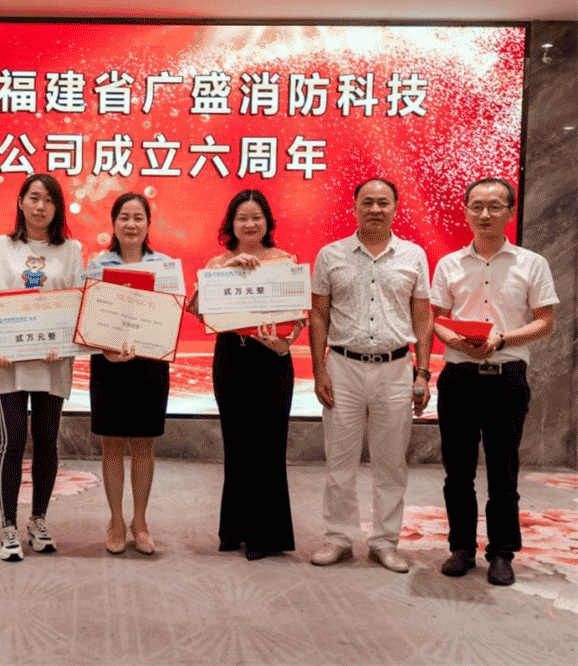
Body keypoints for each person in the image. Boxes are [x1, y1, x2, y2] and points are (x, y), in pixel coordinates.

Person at [432, 178, 558, 586]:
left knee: (503, 472)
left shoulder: (531, 263)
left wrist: (502, 340)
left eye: (494, 206)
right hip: (459, 377)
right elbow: (436, 319)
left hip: (507, 378)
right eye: (476, 206)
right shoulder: (449, 264)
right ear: (466, 211)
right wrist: (457, 343)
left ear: (510, 212)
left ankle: (502, 553)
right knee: (457, 472)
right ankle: (461, 548)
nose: (484, 214)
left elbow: (545, 322)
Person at [309, 178, 433, 573]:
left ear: (395, 207)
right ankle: (339, 538)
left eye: (383, 202)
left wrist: (423, 373)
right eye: (368, 202)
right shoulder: (331, 255)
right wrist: (318, 369)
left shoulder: (413, 255)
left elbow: (423, 316)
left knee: (391, 463)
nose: (375, 209)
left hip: (396, 369)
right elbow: (319, 315)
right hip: (342, 367)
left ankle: (385, 542)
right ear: (355, 206)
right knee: (339, 462)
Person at [0, 173, 83, 562]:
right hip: (9, 362)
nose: (40, 206)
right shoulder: (0, 247)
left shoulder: (71, 249)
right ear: (20, 202)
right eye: (34, 198)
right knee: (13, 441)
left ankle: (38, 520)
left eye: (48, 200)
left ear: (57, 208)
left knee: (47, 441)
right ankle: (8, 525)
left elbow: (77, 303)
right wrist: (0, 341)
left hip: (53, 360)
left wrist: (62, 342)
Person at [196, 190, 303, 560]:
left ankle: (264, 535)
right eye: (242, 218)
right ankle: (234, 529)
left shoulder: (284, 261)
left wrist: (285, 343)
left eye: (257, 217)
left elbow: (298, 315)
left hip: (271, 361)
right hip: (231, 359)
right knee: (237, 444)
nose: (249, 224)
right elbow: (199, 311)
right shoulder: (218, 263)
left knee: (268, 447)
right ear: (231, 224)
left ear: (267, 222)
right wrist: (226, 272)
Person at [86, 192, 172, 555]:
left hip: (150, 364)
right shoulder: (96, 266)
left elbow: (171, 315)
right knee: (111, 445)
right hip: (108, 365)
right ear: (113, 223)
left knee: (143, 445)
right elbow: (88, 318)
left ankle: (140, 521)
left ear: (149, 224)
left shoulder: (165, 267)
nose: (131, 224)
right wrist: (104, 348)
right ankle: (116, 521)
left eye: (138, 217)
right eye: (124, 217)